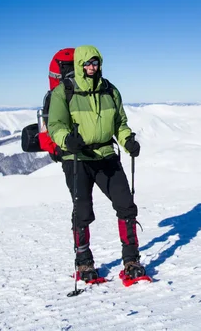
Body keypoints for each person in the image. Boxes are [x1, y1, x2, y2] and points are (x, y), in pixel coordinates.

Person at [47, 45, 144, 282]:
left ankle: (131, 261)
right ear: (79, 65)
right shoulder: (64, 92)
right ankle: (84, 264)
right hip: (77, 158)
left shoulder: (110, 90)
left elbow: (120, 123)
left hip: (105, 154)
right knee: (83, 211)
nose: (92, 67)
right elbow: (55, 125)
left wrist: (127, 140)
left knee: (126, 205)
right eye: (87, 63)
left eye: (95, 63)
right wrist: (67, 140)